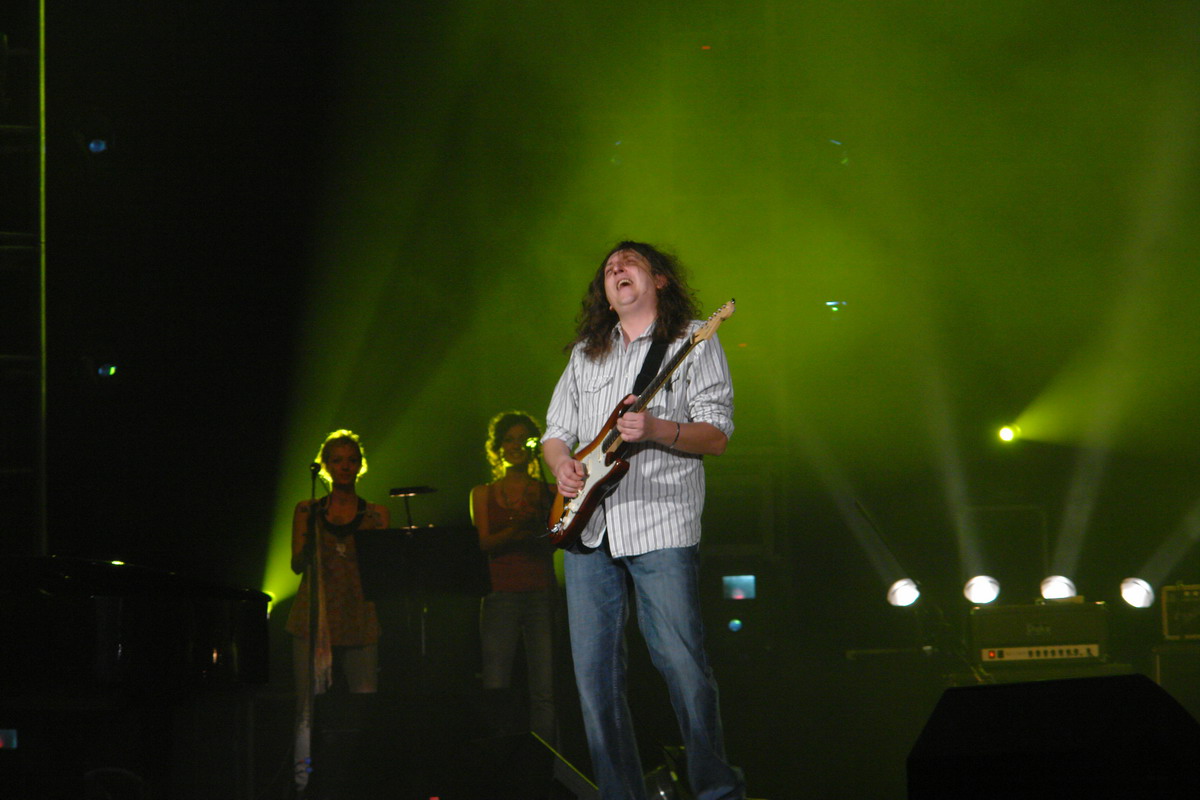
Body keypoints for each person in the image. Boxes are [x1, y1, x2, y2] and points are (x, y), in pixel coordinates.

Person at [542, 242, 745, 800]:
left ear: (659, 280)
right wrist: (562, 467)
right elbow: (555, 433)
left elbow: (717, 434)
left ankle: (715, 789)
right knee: (594, 677)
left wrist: (658, 429)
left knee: (681, 663)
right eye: (609, 268)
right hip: (587, 527)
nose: (616, 269)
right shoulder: (587, 353)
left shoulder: (694, 339)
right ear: (606, 297)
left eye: (628, 261)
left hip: (661, 520)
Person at [285, 429, 390, 796]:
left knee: (363, 703)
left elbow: (382, 569)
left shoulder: (376, 513)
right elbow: (296, 564)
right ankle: (304, 782)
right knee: (307, 707)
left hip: (358, 614)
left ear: (360, 465)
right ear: (326, 466)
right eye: (337, 460)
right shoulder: (307, 510)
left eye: (351, 460)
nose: (345, 466)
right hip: (315, 616)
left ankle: (359, 779)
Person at [470, 411, 558, 744]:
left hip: (540, 592)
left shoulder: (549, 490)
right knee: (496, 682)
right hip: (499, 592)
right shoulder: (483, 492)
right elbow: (484, 543)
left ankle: (545, 758)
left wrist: (530, 525)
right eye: (509, 440)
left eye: (523, 440)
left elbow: (555, 541)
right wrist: (519, 527)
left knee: (544, 686)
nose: (516, 446)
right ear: (498, 447)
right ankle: (499, 756)